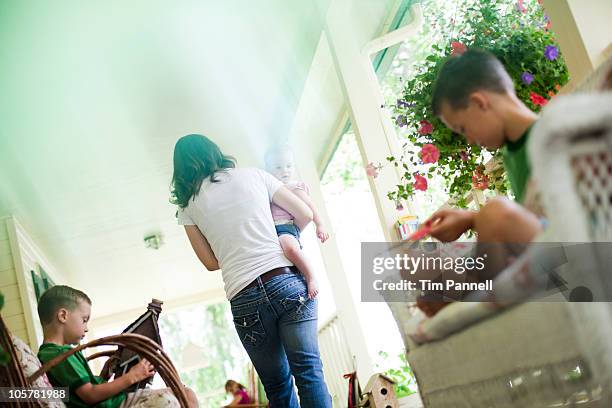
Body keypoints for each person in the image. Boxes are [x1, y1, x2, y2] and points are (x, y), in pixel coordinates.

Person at [171, 134, 332, 408]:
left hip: (244, 297)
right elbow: (304, 213)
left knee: (278, 387)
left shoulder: (188, 208)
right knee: (308, 372)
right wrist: (281, 234)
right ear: (215, 152)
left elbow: (211, 263)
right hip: (285, 280)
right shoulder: (255, 175)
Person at [426, 48, 543, 244]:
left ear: (479, 103)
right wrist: (471, 219)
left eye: (463, 128)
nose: (469, 141)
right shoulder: (510, 153)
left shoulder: (553, 137)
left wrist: (485, 217)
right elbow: (533, 220)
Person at [37, 285, 199, 408]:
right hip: (116, 404)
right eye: (84, 319)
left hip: (115, 401)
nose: (86, 328)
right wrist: (132, 377)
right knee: (185, 396)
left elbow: (78, 392)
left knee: (188, 395)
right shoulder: (60, 355)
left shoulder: (51, 354)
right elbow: (90, 395)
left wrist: (105, 375)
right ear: (63, 316)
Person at [264, 145, 329, 299]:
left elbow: (310, 206)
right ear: (268, 170)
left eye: (288, 166)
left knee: (290, 249)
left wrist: (320, 225)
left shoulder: (293, 186)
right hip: (271, 231)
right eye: (278, 167)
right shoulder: (269, 189)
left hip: (286, 227)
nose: (284, 171)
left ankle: (311, 277)